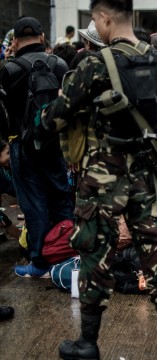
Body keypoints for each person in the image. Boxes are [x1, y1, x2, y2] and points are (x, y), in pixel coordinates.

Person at [43, 0, 157, 358]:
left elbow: (56, 116)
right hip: (147, 173)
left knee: (96, 252)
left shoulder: (94, 63)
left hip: (102, 175)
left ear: (104, 17)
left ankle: (88, 344)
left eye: (95, 18)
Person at [0, 16, 74, 278]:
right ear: (43, 38)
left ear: (16, 41)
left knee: (34, 206)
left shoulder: (9, 70)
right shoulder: (61, 65)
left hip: (22, 147)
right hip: (54, 146)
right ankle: (66, 256)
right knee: (61, 199)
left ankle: (40, 263)